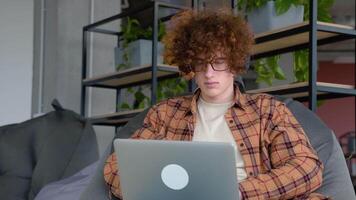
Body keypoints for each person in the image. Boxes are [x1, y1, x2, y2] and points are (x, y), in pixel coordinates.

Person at [104, 9, 327, 200]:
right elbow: (115, 167)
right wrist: (157, 192)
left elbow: (306, 168)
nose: (209, 73)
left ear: (235, 63)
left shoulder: (268, 110)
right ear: (189, 65)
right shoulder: (165, 113)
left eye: (219, 63)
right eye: (201, 64)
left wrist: (238, 192)